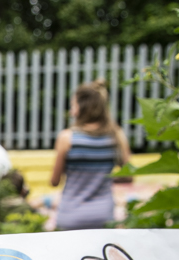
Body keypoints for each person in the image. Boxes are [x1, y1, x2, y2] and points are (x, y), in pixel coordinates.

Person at [51, 80, 131, 231]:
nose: (70, 111)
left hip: (70, 215)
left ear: (82, 107)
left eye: (73, 105)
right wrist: (104, 176)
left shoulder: (66, 138)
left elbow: (55, 181)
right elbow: (129, 176)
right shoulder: (116, 135)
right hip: (103, 216)